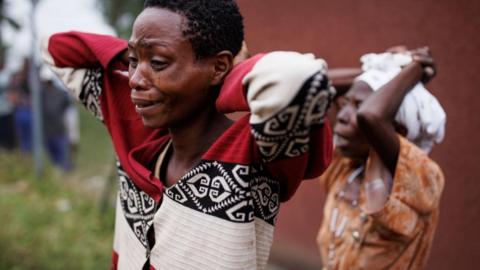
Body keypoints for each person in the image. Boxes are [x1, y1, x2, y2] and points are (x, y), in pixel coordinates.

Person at [41, 0, 335, 269]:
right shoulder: (137, 133)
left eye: (158, 63)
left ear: (220, 66)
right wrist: (142, 53)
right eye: (133, 61)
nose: (134, 80)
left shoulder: (257, 154)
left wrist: (228, 82)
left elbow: (299, 79)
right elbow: (55, 50)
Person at [316, 48, 446, 270]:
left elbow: (372, 116)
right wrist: (386, 67)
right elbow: (317, 86)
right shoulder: (346, 168)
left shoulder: (421, 179)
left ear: (396, 129)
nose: (343, 116)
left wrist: (415, 67)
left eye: (358, 106)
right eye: (345, 103)